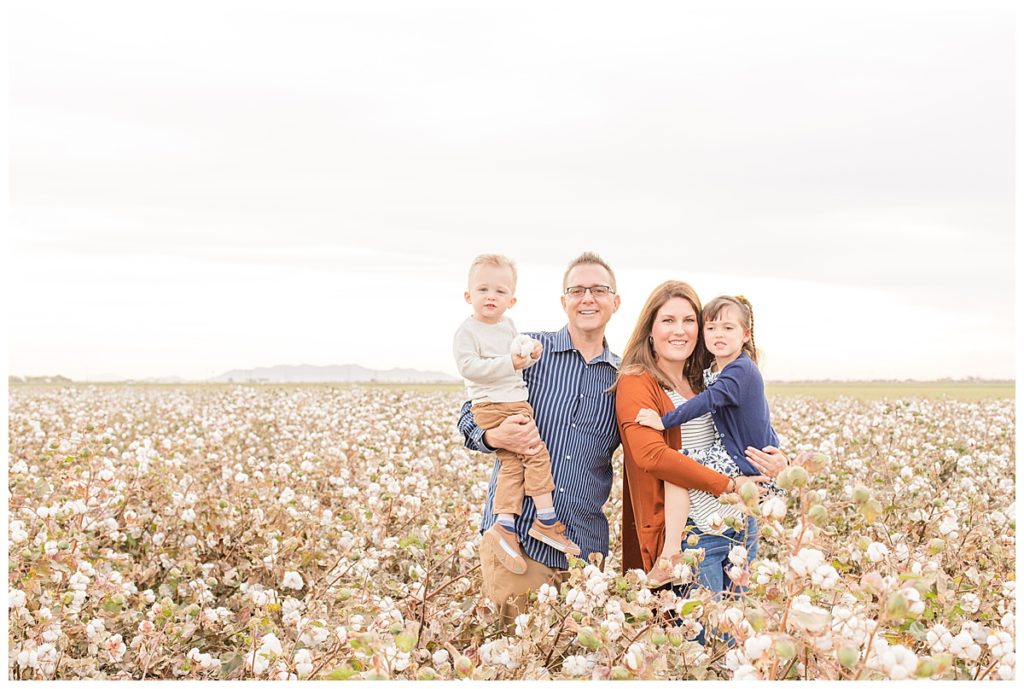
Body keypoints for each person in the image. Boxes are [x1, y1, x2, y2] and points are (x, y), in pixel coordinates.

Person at [458, 252, 621, 627]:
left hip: (582, 547)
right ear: (563, 301)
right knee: (515, 658)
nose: (587, 299)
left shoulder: (623, 377)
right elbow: (471, 411)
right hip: (518, 543)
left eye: (599, 290)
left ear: (615, 302)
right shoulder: (528, 352)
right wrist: (494, 435)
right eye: (576, 290)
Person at [612, 281, 787, 597]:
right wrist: (731, 485)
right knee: (700, 636)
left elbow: (750, 422)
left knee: (734, 636)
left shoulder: (706, 377)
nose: (679, 330)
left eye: (688, 321)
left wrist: (777, 457)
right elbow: (652, 457)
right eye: (668, 320)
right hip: (694, 536)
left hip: (740, 525)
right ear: (650, 329)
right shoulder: (638, 380)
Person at [453, 254, 581, 577]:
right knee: (535, 453)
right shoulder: (467, 331)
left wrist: (528, 350)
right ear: (468, 296)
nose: (490, 297)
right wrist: (491, 436)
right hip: (498, 406)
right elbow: (468, 383)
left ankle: (505, 523)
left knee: (513, 462)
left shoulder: (509, 327)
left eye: (499, 291)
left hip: (513, 404)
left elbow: (518, 345)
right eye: (482, 290)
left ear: (512, 300)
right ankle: (546, 519)